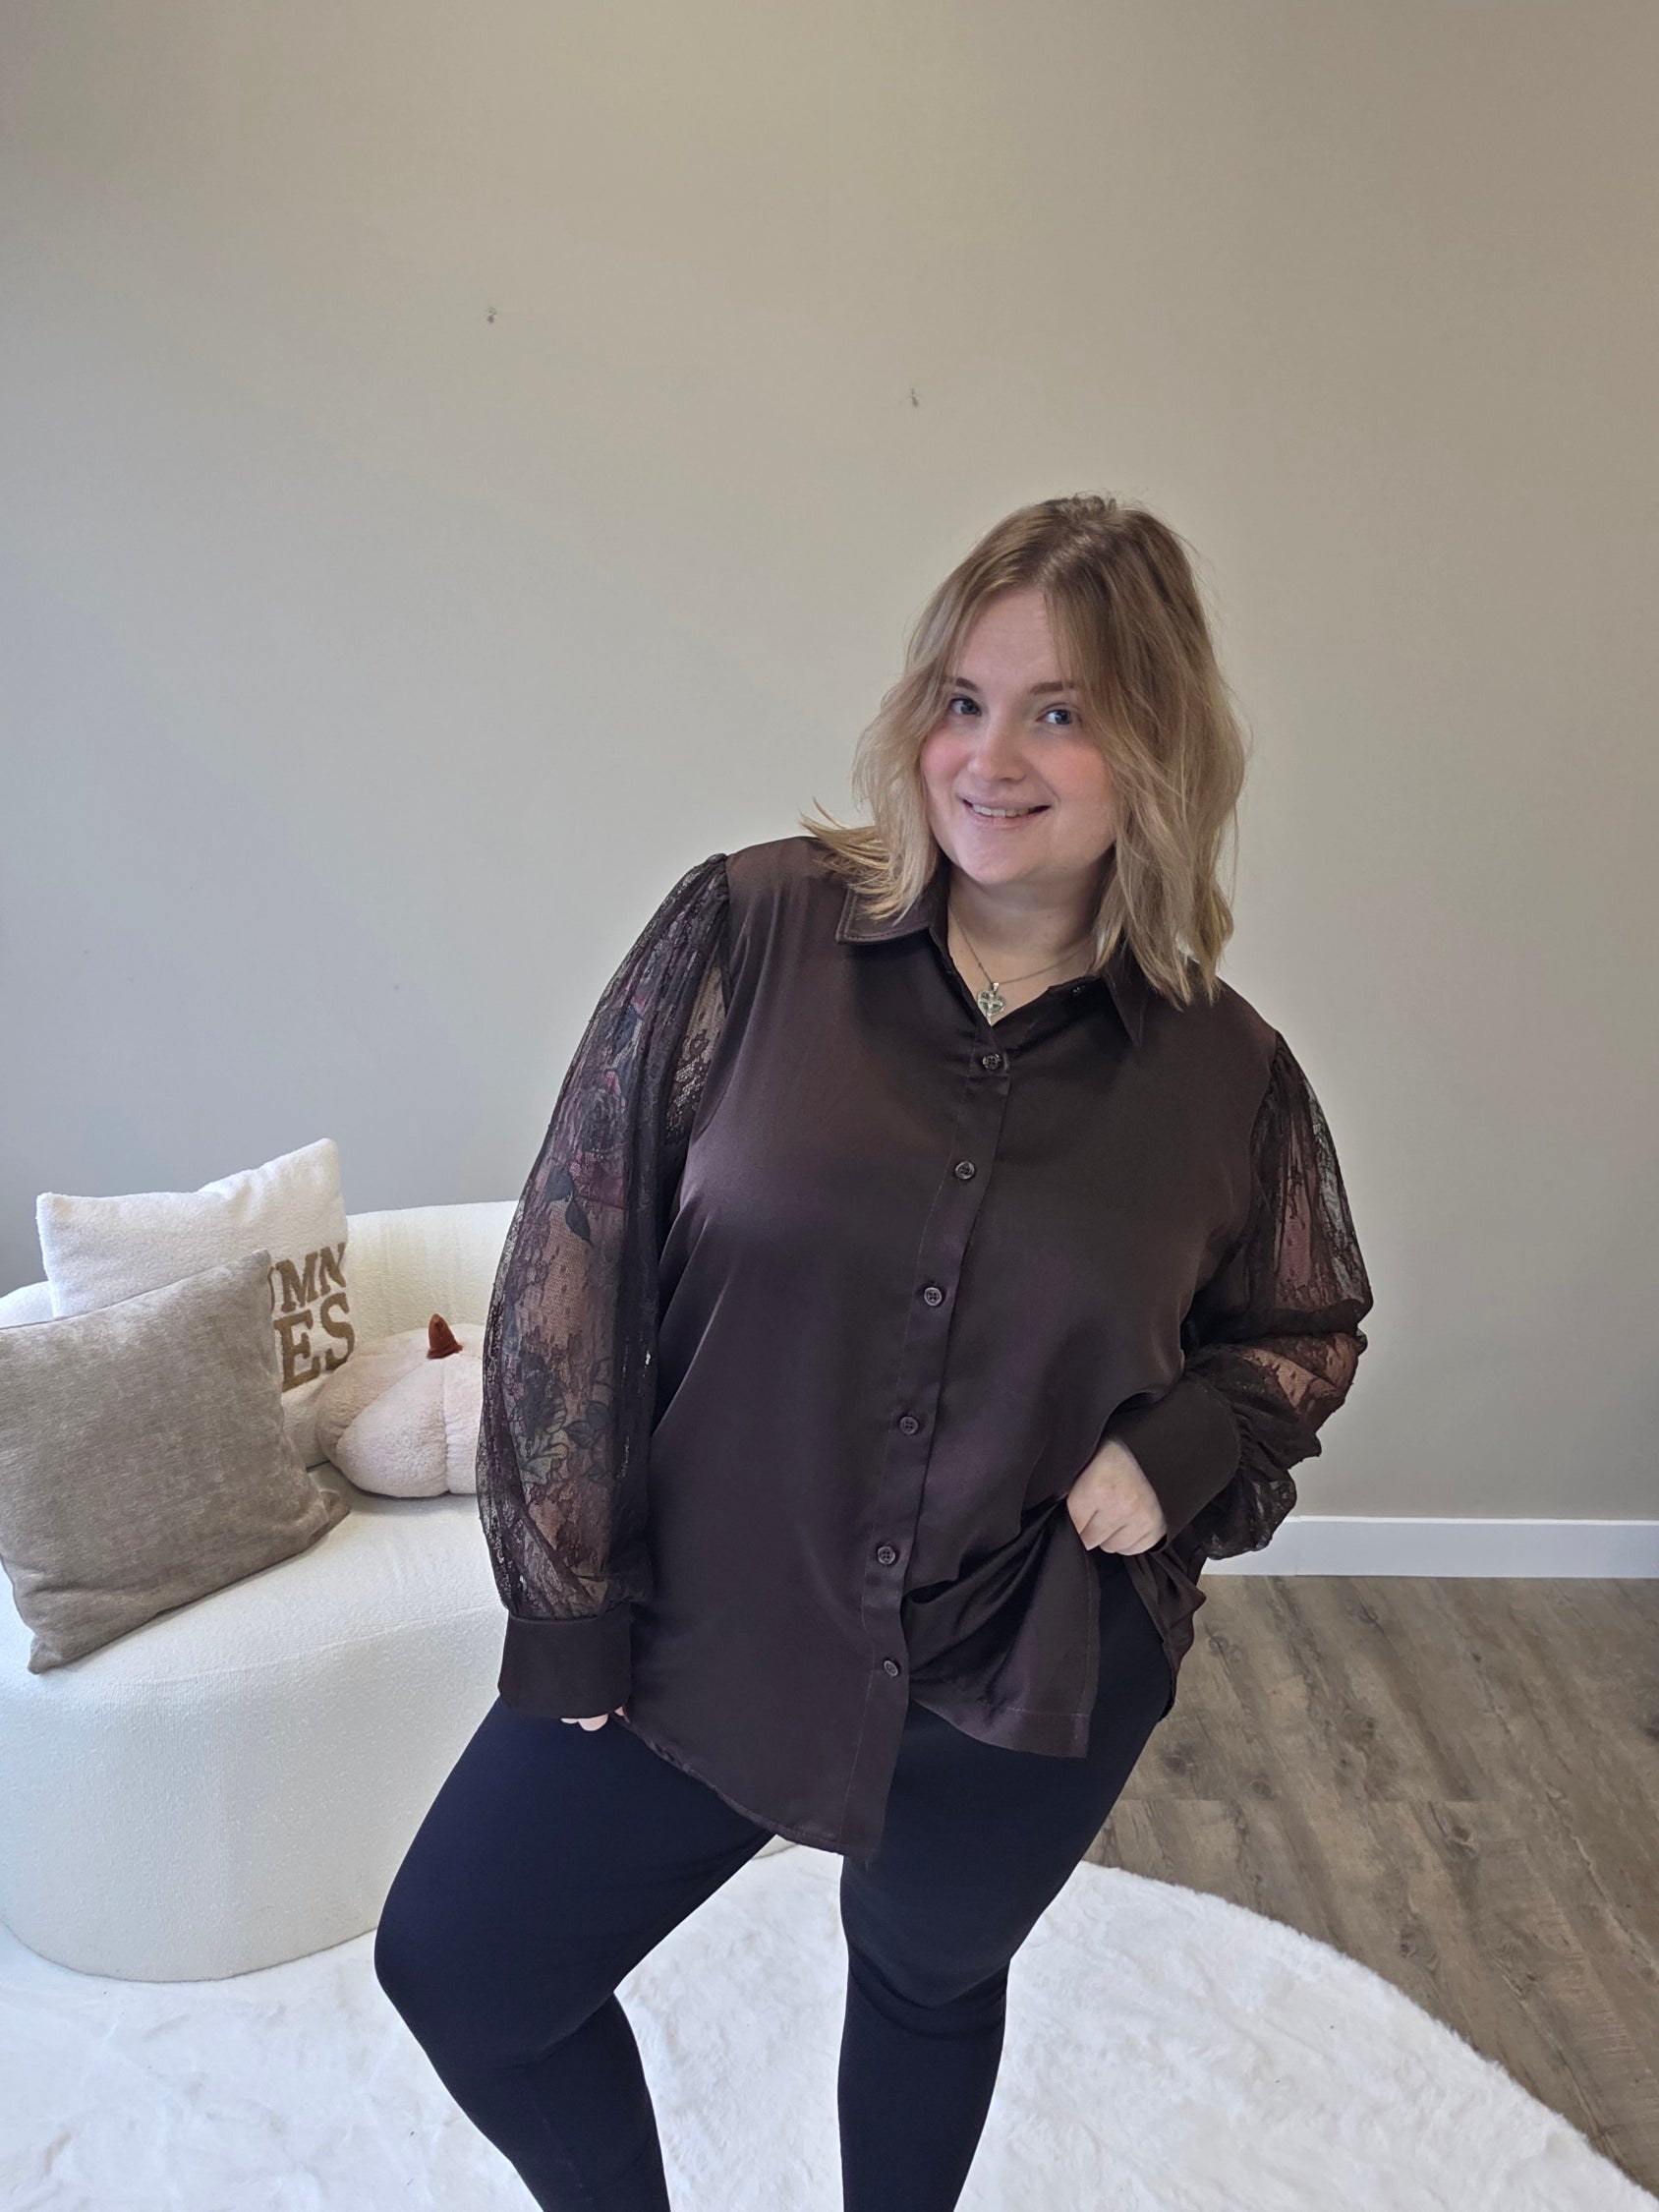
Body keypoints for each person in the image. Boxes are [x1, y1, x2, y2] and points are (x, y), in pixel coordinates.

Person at [372, 493, 1375, 2211]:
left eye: (1061, 712)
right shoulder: (746, 933)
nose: (991, 756)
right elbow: (576, 1250)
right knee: (464, 1964)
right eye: (962, 700)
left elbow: (1301, 1323)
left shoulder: (1229, 1074)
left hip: (1017, 1667)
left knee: (926, 1982)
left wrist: (1179, 1450)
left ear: (1159, 754)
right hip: (700, 1624)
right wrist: (567, 1593)